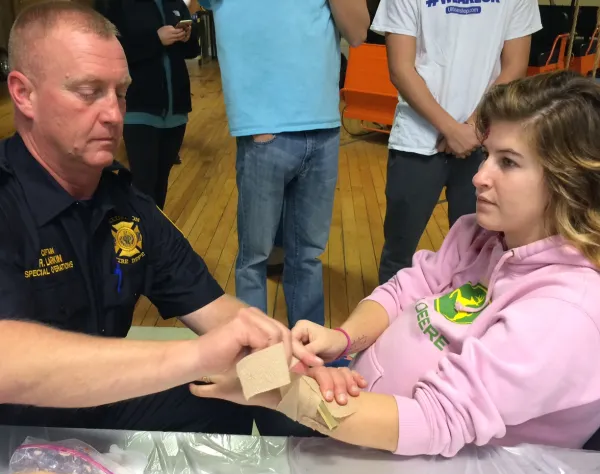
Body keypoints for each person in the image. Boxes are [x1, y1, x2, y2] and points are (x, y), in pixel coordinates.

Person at [194, 71, 600, 456]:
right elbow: (405, 288)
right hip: (362, 411)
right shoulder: (481, 234)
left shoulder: (566, 311)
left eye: (507, 162)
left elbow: (436, 420)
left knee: (242, 390)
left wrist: (278, 390)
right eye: (486, 155)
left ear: (571, 180)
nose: (479, 176)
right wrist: (344, 338)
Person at [0, 2, 322, 433]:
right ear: (24, 94)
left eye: (120, 92)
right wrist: (198, 356)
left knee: (280, 399)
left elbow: (216, 310)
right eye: (88, 91)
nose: (114, 114)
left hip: (104, 406)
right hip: (13, 427)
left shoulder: (126, 204)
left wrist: (290, 368)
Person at [199, 0, 370, 327]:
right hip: (263, 127)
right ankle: (257, 363)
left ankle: (308, 356)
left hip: (323, 126)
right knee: (255, 259)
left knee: (307, 256)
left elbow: (358, 33)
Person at [373, 0, 541, 284]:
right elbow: (401, 69)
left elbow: (515, 65)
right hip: (417, 141)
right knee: (399, 253)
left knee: (480, 253)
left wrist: (474, 126)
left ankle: (468, 327)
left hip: (486, 145)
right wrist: (451, 129)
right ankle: (386, 326)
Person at [96, 0, 199, 211]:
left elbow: (191, 51)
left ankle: (153, 236)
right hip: (139, 108)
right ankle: (139, 240)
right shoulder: (116, 5)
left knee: (160, 185)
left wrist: (186, 36)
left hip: (176, 111)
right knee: (143, 186)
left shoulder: (174, 2)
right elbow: (108, 51)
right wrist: (156, 39)